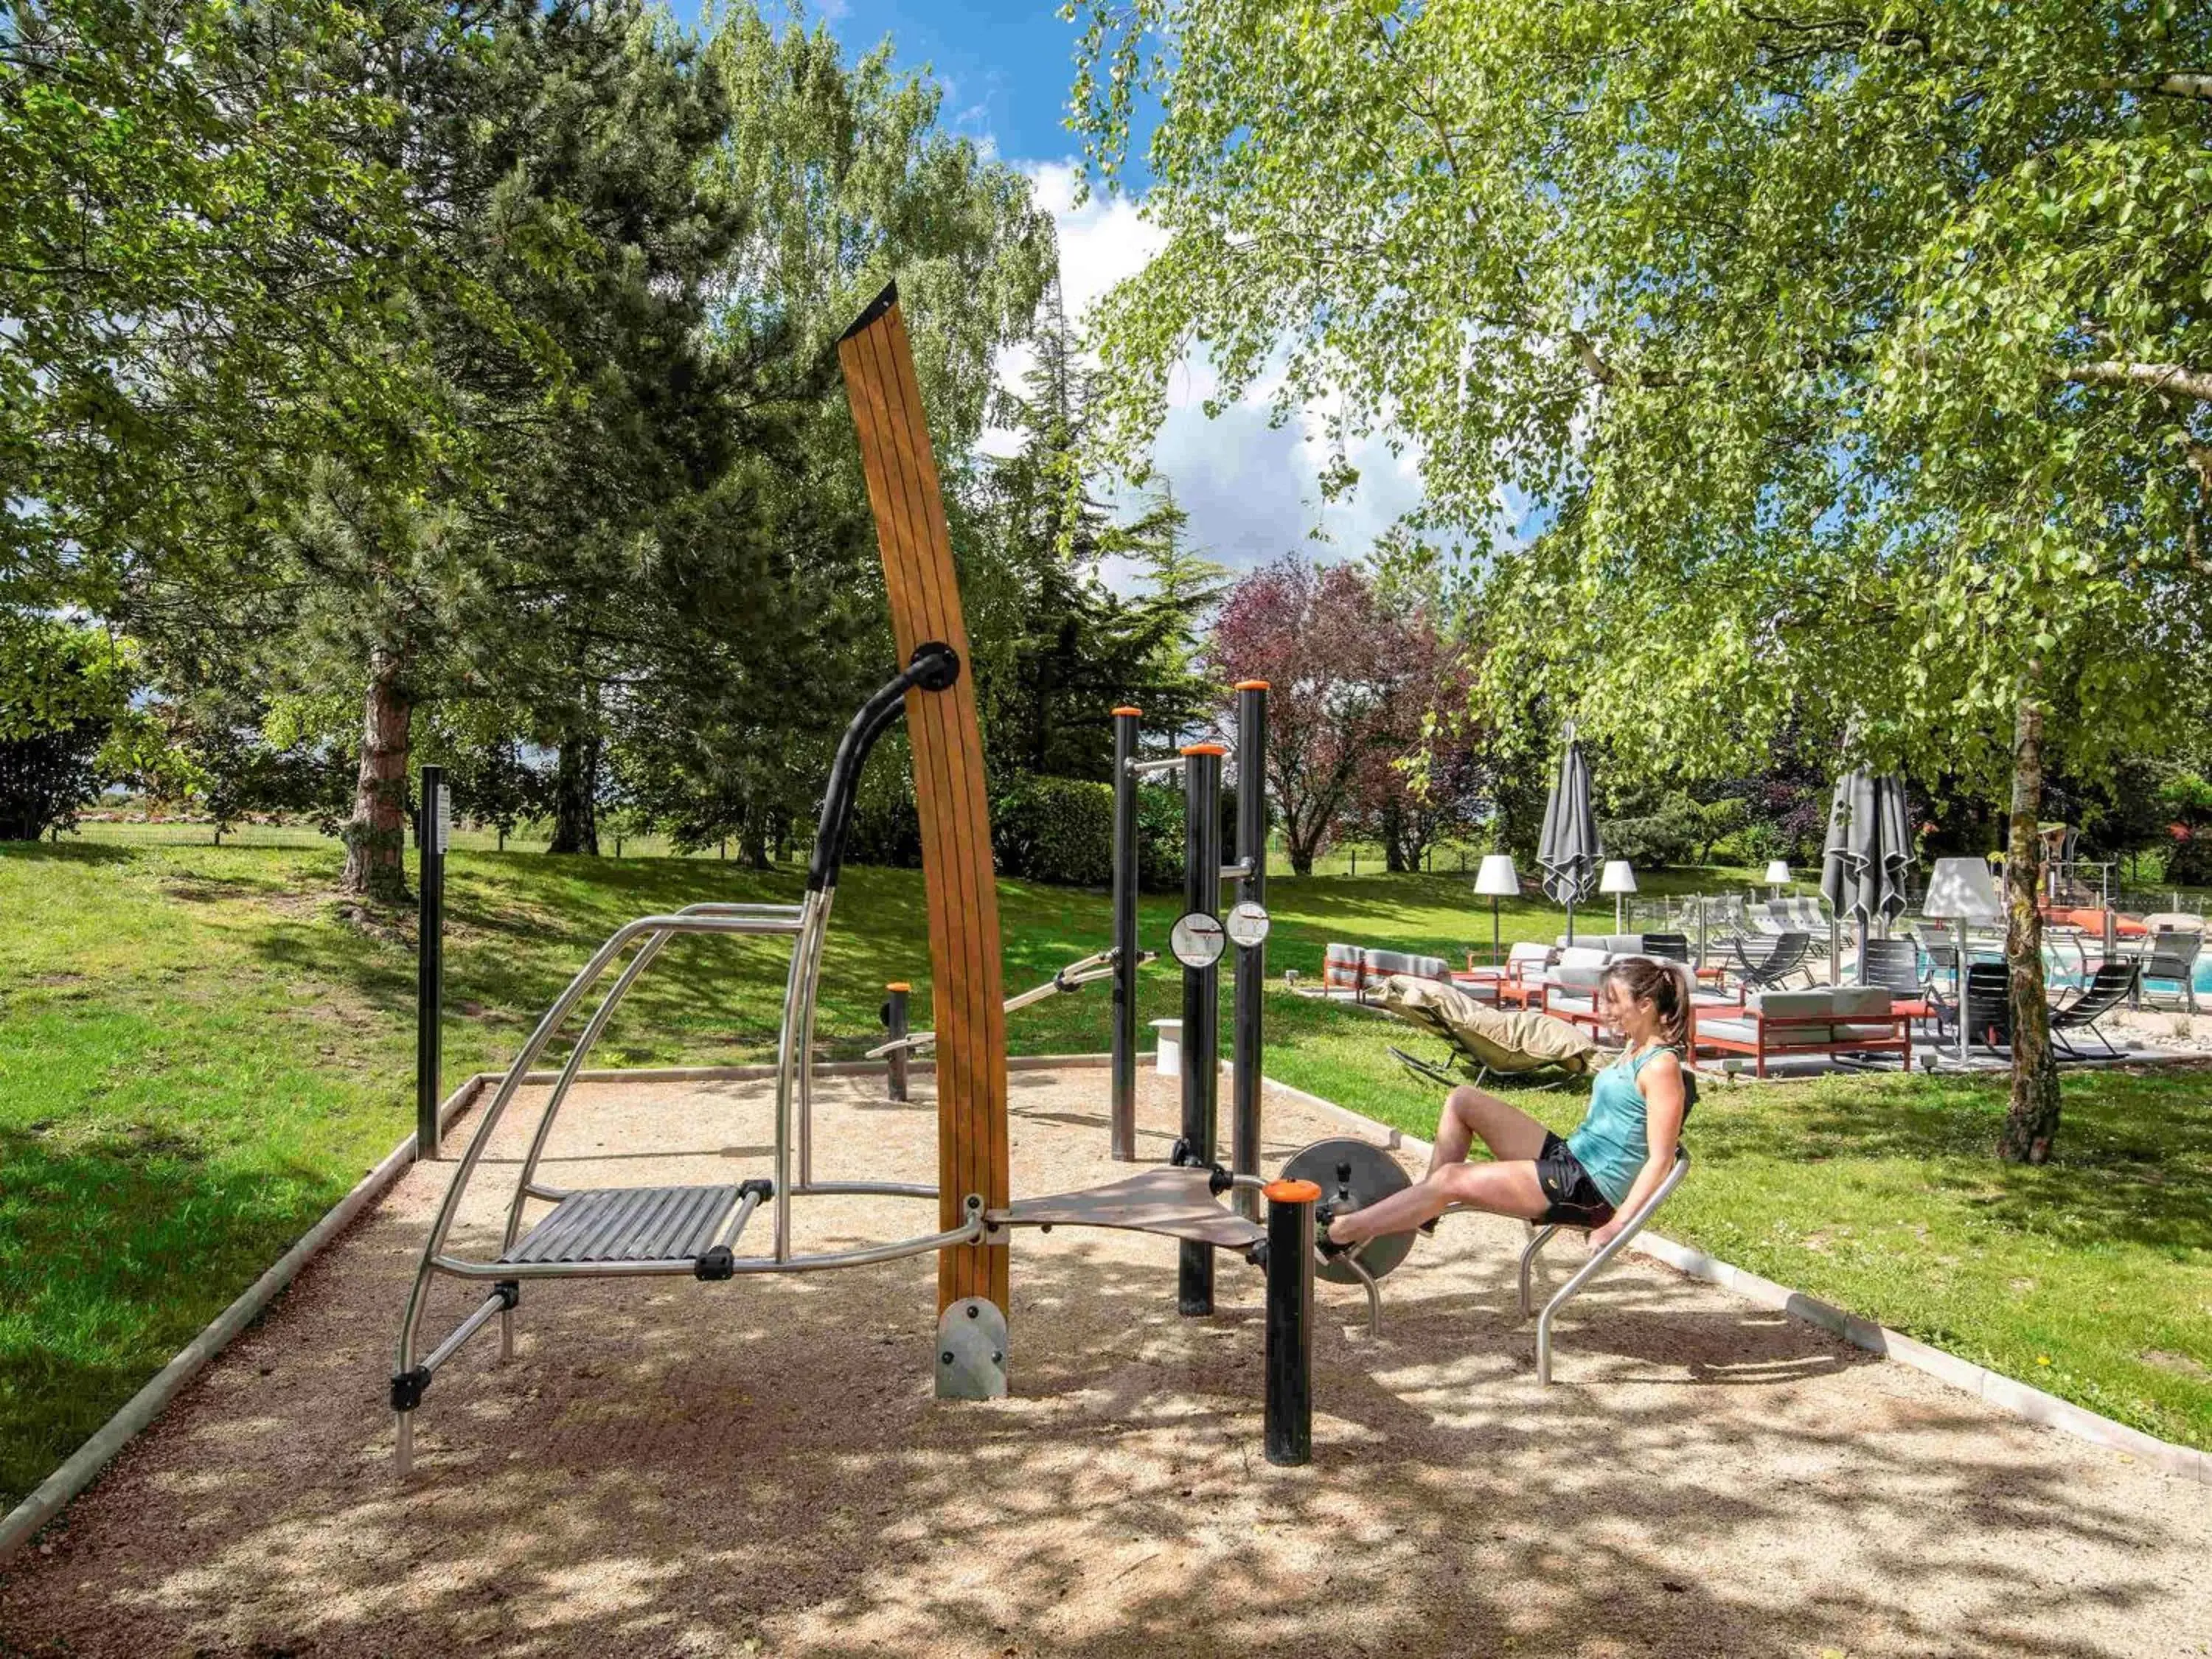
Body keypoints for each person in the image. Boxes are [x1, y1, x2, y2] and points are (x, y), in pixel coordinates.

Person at [1323, 956, 1692, 1253]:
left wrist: (1616, 1225)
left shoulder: (1661, 1066)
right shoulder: (1633, 1048)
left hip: (1589, 1189)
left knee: (1453, 1179)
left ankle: (1342, 1233)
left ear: (1645, 1005)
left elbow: (1660, 1160)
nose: (1605, 1009)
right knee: (1463, 1100)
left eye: (1614, 1001)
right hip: (1571, 1159)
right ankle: (1424, 1211)